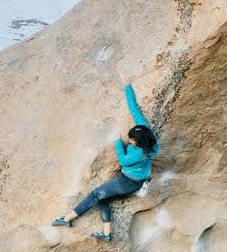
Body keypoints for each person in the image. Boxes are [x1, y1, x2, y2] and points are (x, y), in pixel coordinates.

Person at [53, 83, 158, 242]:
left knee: (96, 194)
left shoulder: (139, 154)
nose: (129, 140)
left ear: (139, 143)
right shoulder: (145, 131)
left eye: (131, 141)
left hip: (128, 182)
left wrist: (117, 141)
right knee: (103, 199)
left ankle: (67, 219)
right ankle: (106, 234)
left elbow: (123, 161)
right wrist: (127, 87)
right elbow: (134, 109)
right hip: (138, 177)